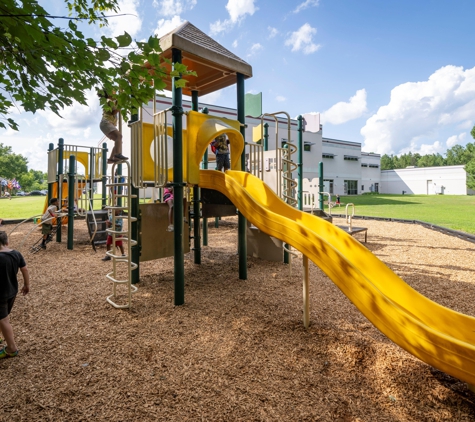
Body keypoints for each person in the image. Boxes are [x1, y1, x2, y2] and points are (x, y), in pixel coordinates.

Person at [0, 231, 30, 359]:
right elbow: (25, 269)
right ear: (7, 242)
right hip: (12, 291)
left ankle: (12, 348)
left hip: (0, 295)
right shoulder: (16, 254)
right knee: (2, 317)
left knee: (3, 319)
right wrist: (26, 285)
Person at [98, 90, 128, 164]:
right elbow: (113, 112)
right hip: (106, 122)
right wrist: (120, 105)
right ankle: (117, 155)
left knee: (119, 140)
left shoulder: (113, 101)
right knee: (119, 136)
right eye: (113, 91)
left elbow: (118, 103)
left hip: (105, 124)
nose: (115, 92)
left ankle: (111, 159)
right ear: (109, 94)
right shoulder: (109, 101)